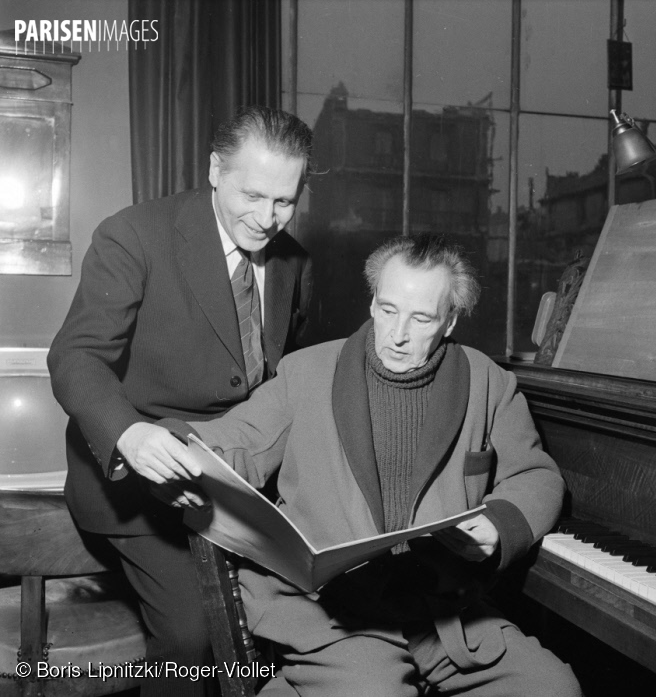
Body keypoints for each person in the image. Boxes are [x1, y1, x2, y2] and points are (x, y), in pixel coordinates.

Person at [165, 234, 583, 696]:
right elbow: (235, 441)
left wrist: (498, 525)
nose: (398, 334)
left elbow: (537, 476)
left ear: (449, 321)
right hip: (332, 616)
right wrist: (173, 447)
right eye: (387, 309)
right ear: (371, 303)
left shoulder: (488, 381)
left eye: (421, 317)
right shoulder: (309, 373)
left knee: (553, 687)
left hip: (445, 619)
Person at [48, 106, 314, 697]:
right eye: (252, 194)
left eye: (285, 201)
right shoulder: (133, 234)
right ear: (215, 169)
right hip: (139, 482)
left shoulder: (293, 261)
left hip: (242, 478)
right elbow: (75, 358)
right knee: (196, 639)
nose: (267, 218)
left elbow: (283, 379)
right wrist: (129, 435)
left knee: (301, 622)